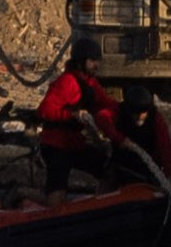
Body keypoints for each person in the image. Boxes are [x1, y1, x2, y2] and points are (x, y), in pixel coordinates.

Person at [38, 38, 117, 196]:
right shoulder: (67, 82)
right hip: (56, 146)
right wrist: (71, 115)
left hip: (74, 144)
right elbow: (44, 110)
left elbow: (106, 103)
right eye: (93, 60)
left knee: (110, 170)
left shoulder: (91, 83)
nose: (97, 65)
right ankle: (21, 193)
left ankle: (101, 204)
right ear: (82, 61)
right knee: (55, 202)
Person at [110, 84, 171, 186]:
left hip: (148, 167)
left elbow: (165, 146)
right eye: (136, 113)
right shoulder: (118, 114)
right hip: (123, 165)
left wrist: (169, 174)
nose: (140, 116)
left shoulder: (155, 120)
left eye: (143, 113)